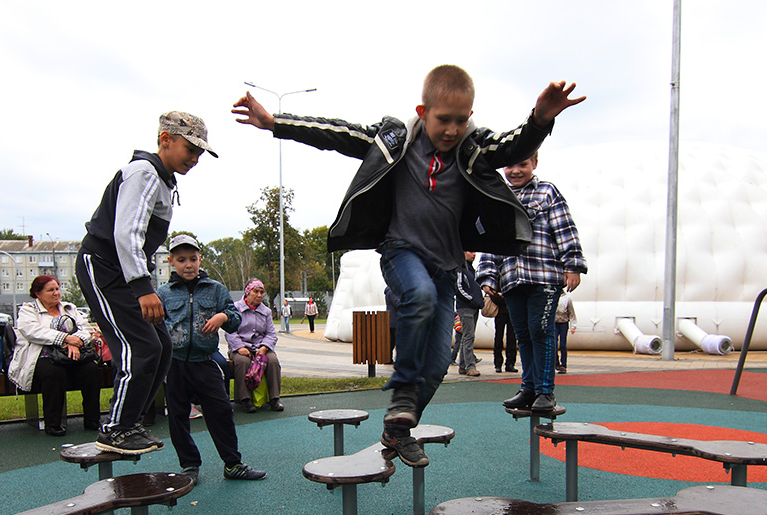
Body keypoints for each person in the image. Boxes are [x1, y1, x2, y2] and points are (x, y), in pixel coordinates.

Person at [233, 64, 584, 468]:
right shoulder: (393, 140)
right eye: (442, 121)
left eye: (460, 121)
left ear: (470, 117)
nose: (451, 131)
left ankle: (398, 428)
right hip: (400, 252)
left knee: (436, 366)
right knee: (415, 295)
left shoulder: (471, 148)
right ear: (422, 112)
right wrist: (276, 122)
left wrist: (540, 119)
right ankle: (401, 392)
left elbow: (510, 146)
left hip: (446, 269)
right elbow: (335, 133)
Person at [76, 110, 217, 454]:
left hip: (124, 271)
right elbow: (127, 233)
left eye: (201, 153)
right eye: (190, 149)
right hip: (104, 267)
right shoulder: (145, 172)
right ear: (165, 140)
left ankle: (131, 421)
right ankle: (116, 428)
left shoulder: (164, 180)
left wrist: (142, 285)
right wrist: (143, 288)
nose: (195, 159)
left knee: (161, 347)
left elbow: (139, 243)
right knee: (140, 347)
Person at [478, 152, 587, 413]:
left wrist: (572, 265)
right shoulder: (498, 197)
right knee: (523, 334)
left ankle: (545, 391)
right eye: (511, 164)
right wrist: (488, 275)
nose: (515, 170)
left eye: (522, 164)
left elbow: (564, 228)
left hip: (544, 275)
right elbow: (491, 240)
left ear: (534, 164)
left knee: (540, 330)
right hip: (513, 277)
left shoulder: (547, 192)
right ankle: (528, 388)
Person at [156, 235, 266, 483]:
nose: (188, 265)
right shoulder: (163, 293)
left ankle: (232, 464)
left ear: (200, 259)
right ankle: (189, 466)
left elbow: (235, 318)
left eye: (193, 259)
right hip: (175, 365)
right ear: (171, 261)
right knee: (178, 417)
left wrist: (223, 318)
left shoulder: (215, 289)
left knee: (221, 412)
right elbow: (154, 327)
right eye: (181, 260)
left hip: (205, 362)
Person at [8, 275, 102, 437]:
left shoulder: (69, 308)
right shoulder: (28, 309)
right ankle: (53, 424)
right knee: (54, 373)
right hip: (42, 356)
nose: (56, 293)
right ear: (38, 294)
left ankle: (92, 420)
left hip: (72, 354)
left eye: (57, 289)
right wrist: (65, 338)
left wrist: (76, 341)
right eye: (50, 290)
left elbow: (85, 328)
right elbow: (32, 332)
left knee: (91, 370)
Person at [226, 280, 284, 413]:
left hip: (260, 347)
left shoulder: (266, 311)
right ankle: (245, 399)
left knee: (273, 360)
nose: (259, 295)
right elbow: (230, 332)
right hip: (240, 348)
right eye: (255, 291)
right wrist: (240, 347)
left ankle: (274, 398)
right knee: (242, 362)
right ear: (247, 292)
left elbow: (271, 334)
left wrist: (264, 347)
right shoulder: (235, 308)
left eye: (261, 292)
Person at [450, 251, 484, 376]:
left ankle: (463, 366)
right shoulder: (460, 269)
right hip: (466, 307)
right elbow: (458, 287)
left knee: (467, 336)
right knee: (468, 336)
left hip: (474, 307)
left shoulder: (471, 270)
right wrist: (471, 299)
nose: (474, 254)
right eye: (471, 252)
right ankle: (470, 366)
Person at [489, 292, 518, 373]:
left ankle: (510, 363)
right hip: (500, 312)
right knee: (498, 337)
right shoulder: (497, 282)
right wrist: (508, 298)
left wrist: (503, 296)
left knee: (512, 338)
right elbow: (493, 296)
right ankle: (498, 363)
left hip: (512, 312)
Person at [554, 289, 577, 374]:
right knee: (553, 343)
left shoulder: (567, 298)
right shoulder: (552, 296)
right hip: (554, 323)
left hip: (563, 323)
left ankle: (563, 364)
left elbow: (571, 313)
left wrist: (573, 325)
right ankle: (555, 361)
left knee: (563, 344)